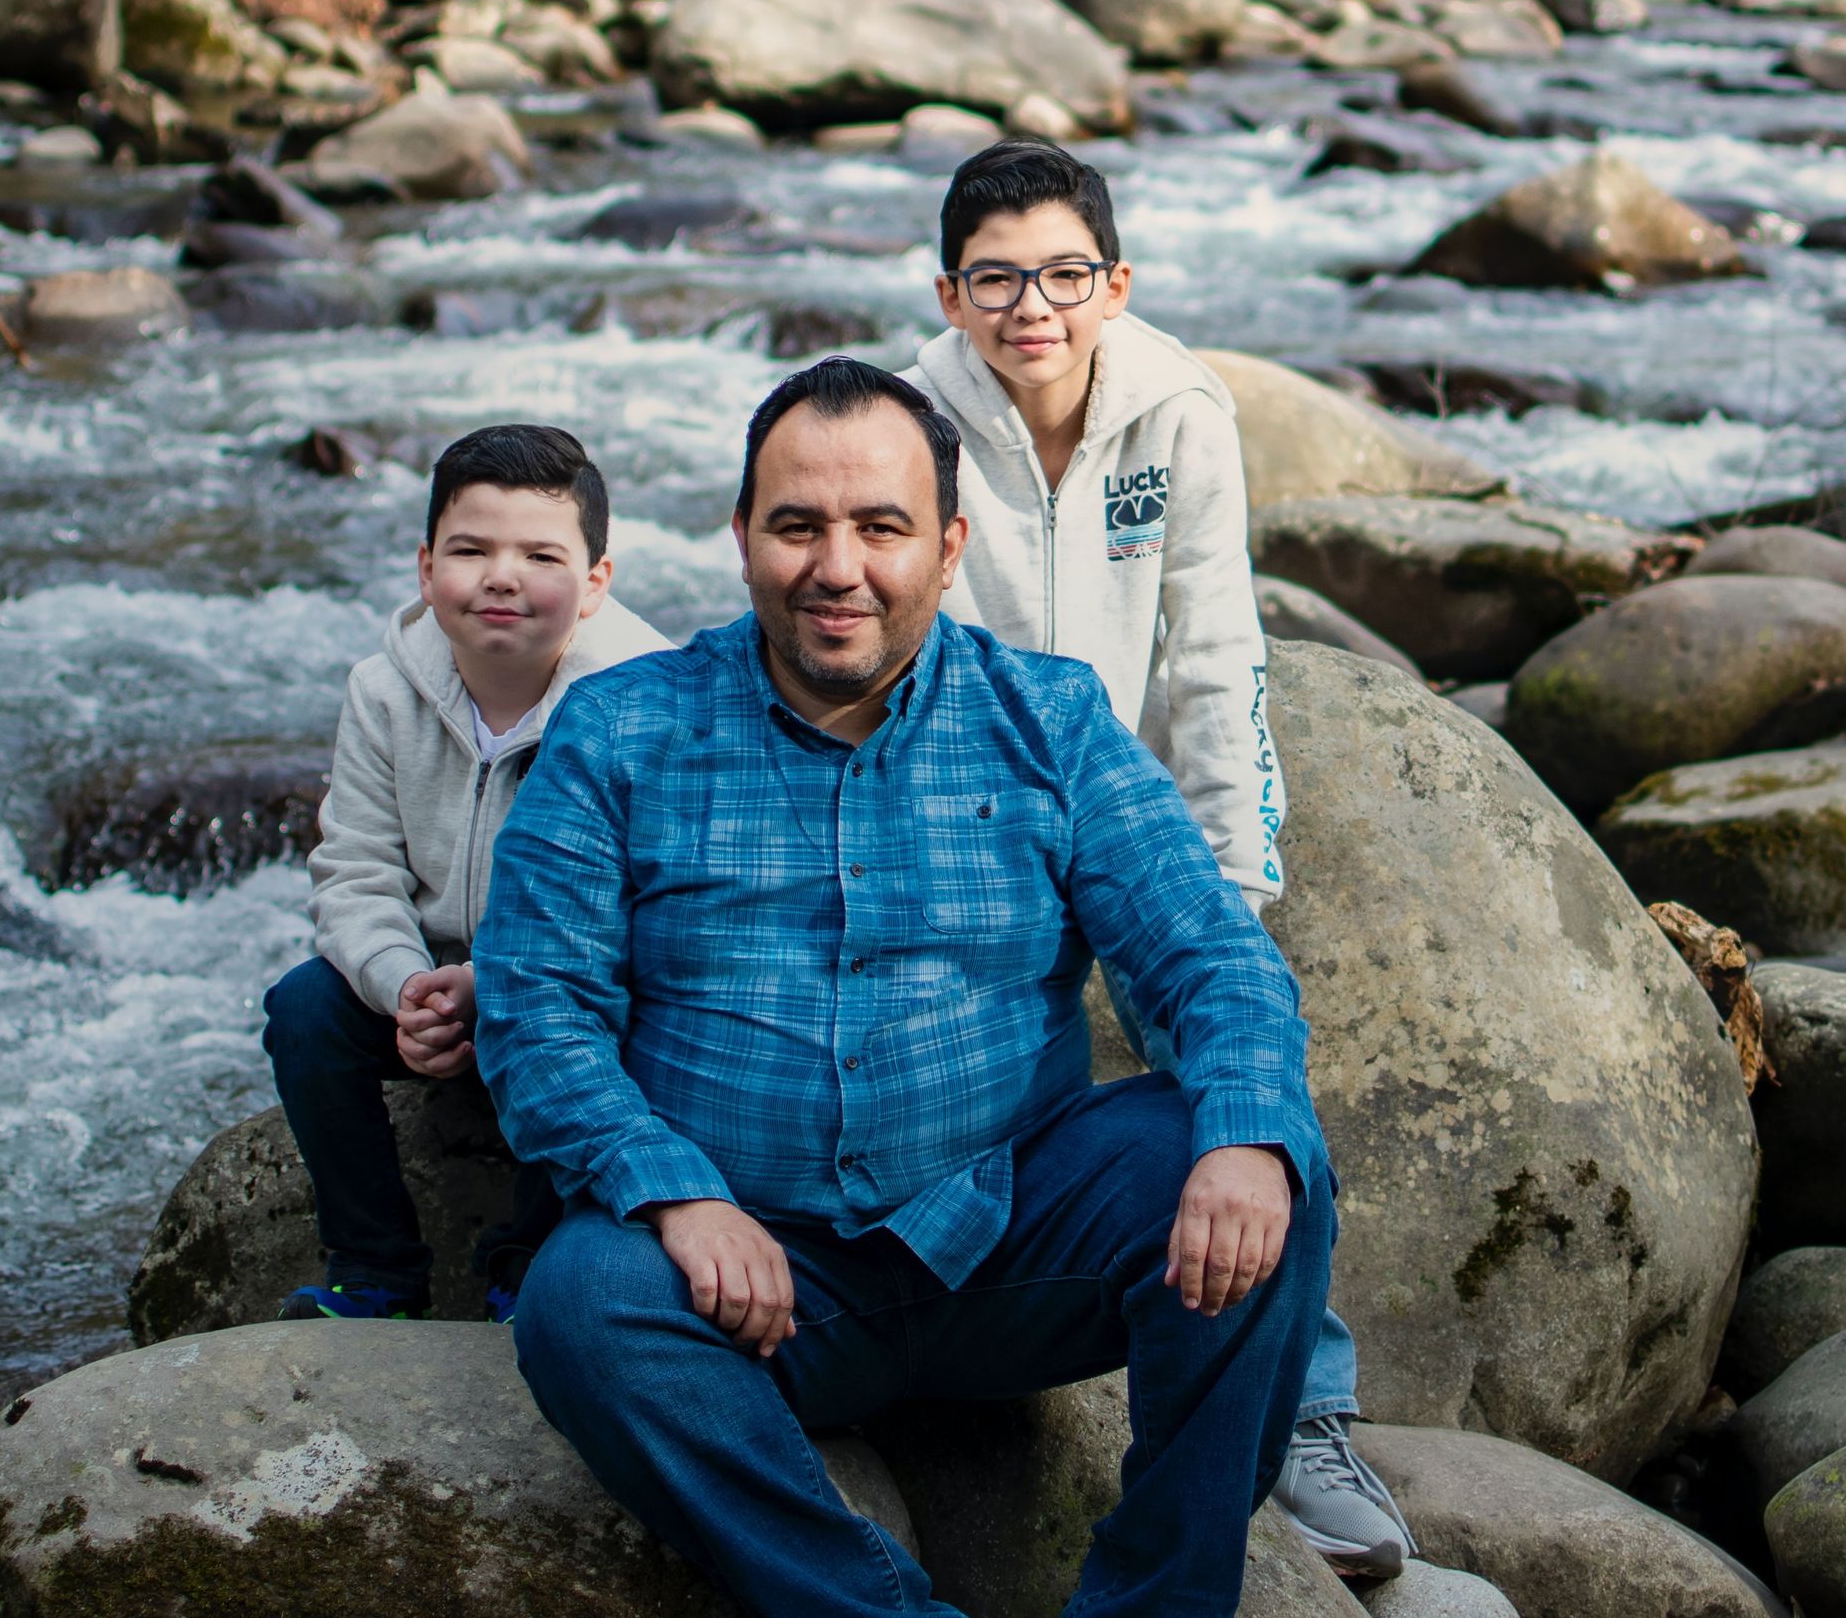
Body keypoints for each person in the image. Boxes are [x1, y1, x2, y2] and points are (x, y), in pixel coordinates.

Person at [474, 359, 1335, 1618]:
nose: (840, 567)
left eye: (882, 527)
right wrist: (670, 1195)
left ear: (948, 544)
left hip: (1016, 1240)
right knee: (582, 1300)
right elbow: (535, 1012)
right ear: (741, 539)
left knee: (1267, 1166)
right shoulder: (618, 731)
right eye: (799, 526)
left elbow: (1208, 955)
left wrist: (1251, 1128)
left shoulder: (1048, 718)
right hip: (748, 1280)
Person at [906, 136, 1412, 1576]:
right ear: (951, 294)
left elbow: (1216, 651)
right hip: (976, 805)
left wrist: (1233, 877)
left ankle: (1305, 1412)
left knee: (1240, 1065)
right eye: (997, 280)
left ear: (1113, 283)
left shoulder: (1179, 410)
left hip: (1128, 798)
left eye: (1065, 275)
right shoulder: (906, 414)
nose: (1033, 310)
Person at [263, 422, 671, 1321]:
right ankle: (375, 1270)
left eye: (540, 555)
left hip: (565, 987)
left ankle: (524, 1267)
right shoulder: (383, 690)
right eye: (470, 550)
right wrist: (404, 986)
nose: (501, 576)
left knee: (608, 1010)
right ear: (424, 568)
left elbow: (639, 907)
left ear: (596, 583)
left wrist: (496, 983)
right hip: (428, 985)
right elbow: (355, 869)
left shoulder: (640, 702)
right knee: (302, 1009)